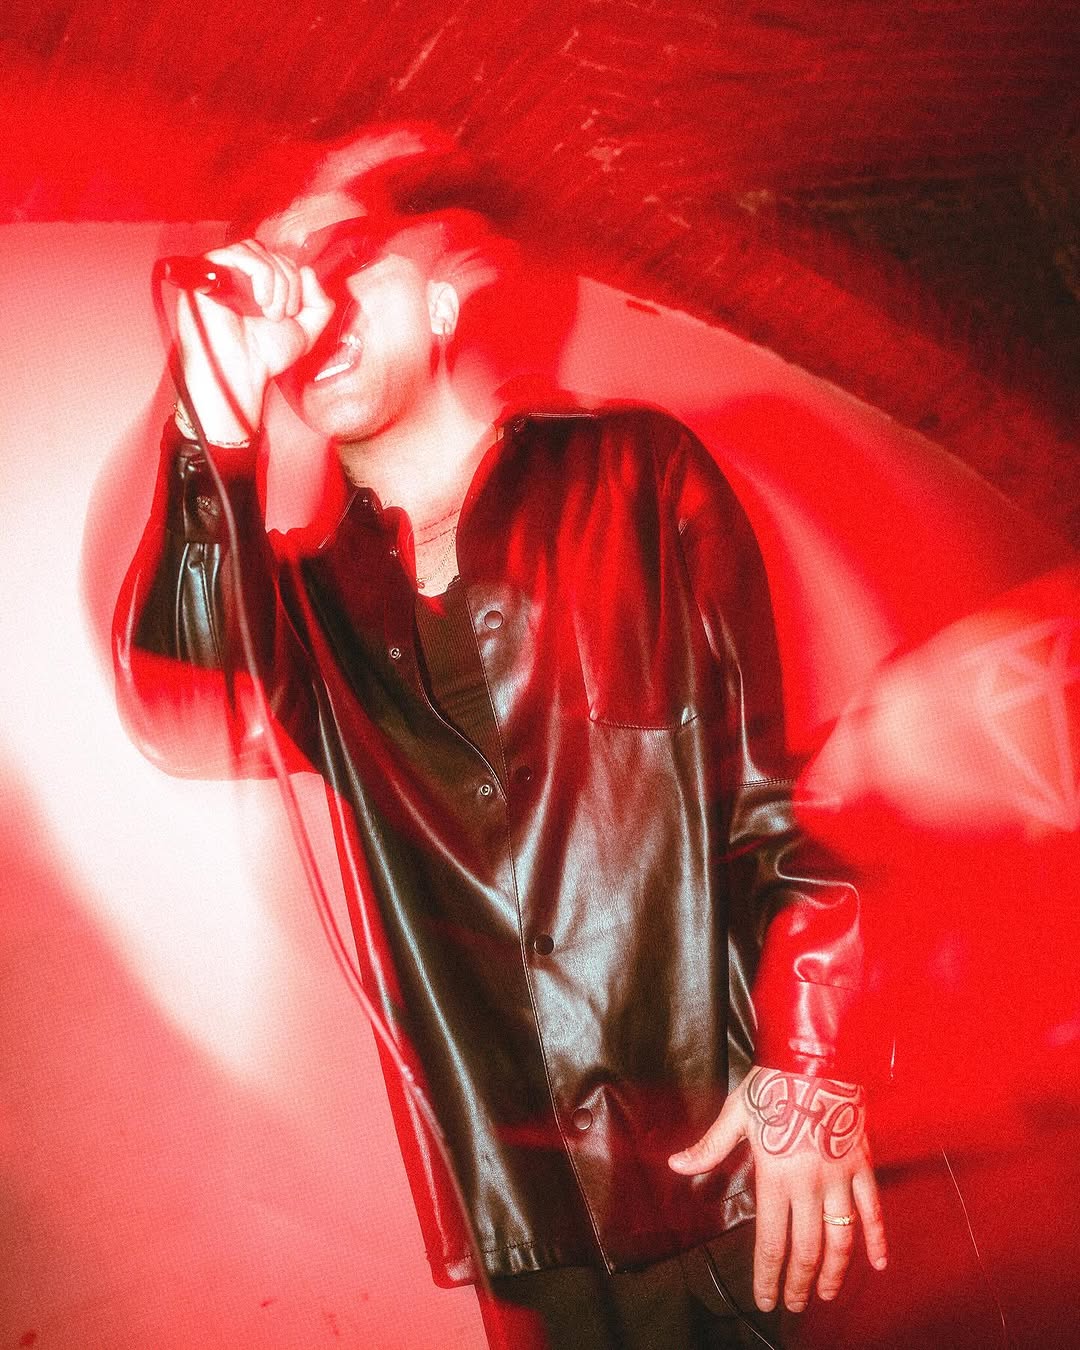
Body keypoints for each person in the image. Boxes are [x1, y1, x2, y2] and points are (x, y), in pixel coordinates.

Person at [114, 126, 887, 1349]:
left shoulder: (634, 476)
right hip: (534, 1228)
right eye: (279, 265)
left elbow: (769, 795)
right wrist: (210, 420)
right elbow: (179, 697)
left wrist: (812, 1061)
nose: (305, 292)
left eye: (343, 254)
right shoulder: (308, 605)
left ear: (444, 291)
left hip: (741, 1164)